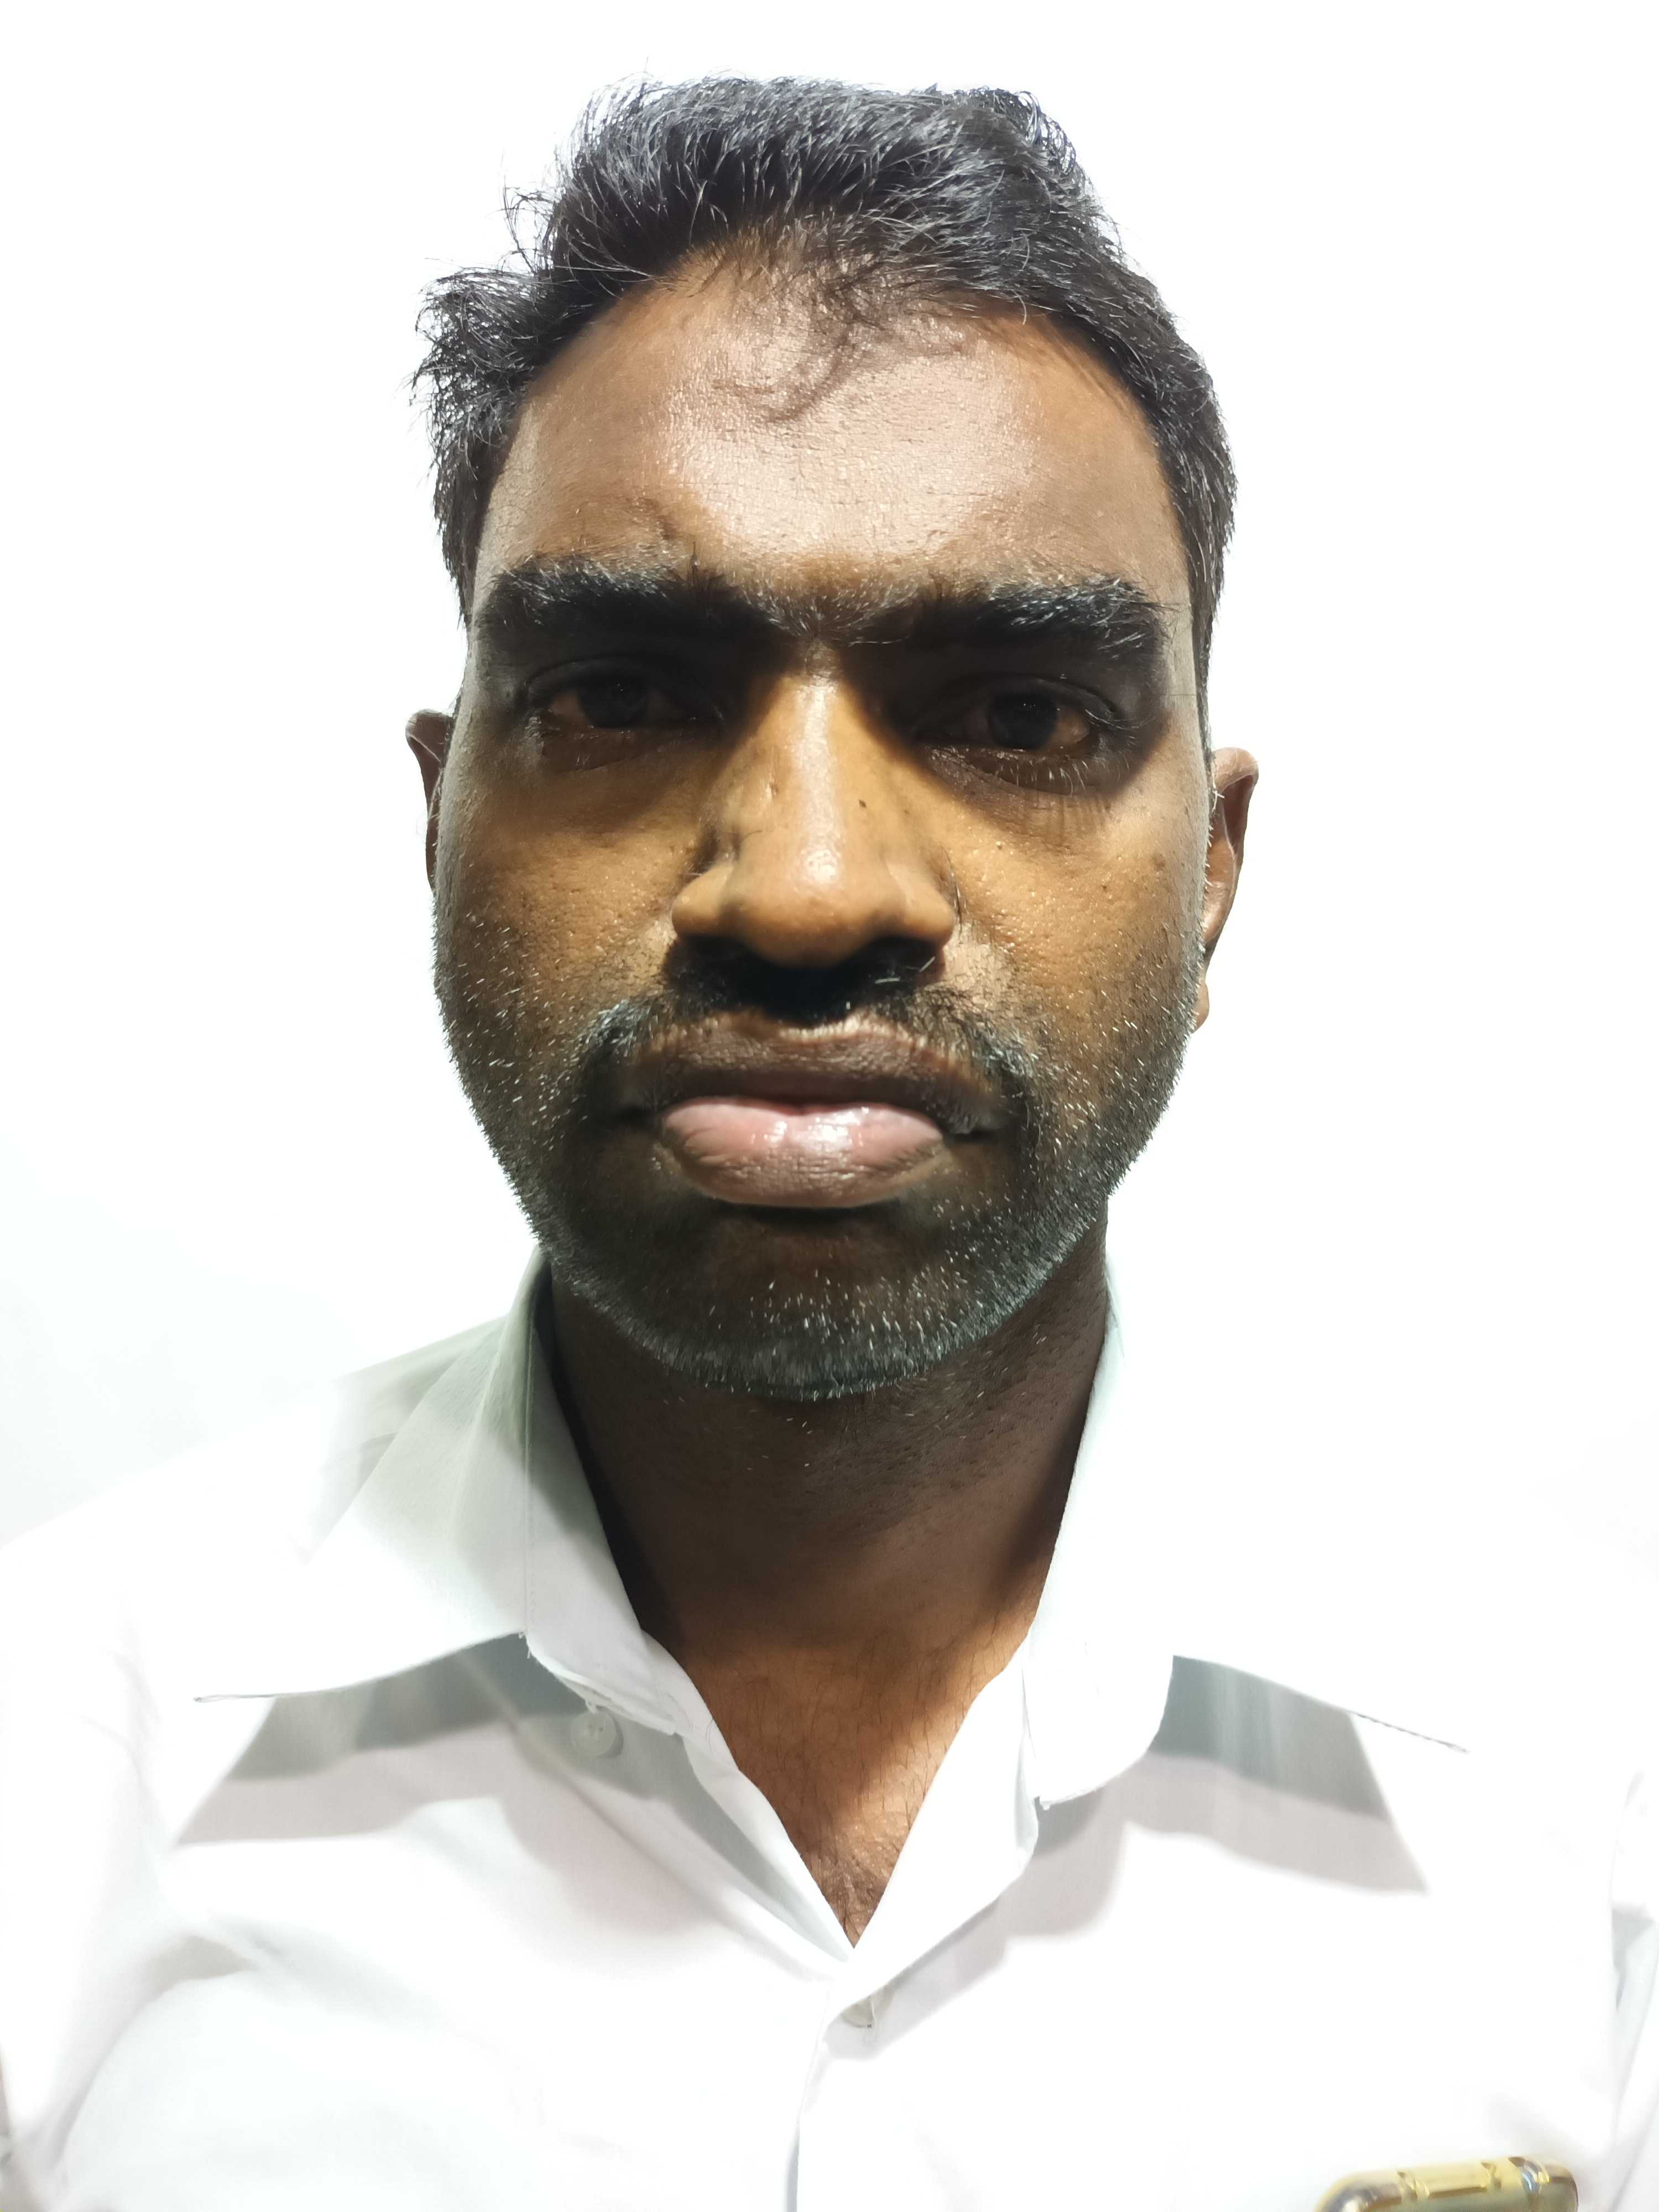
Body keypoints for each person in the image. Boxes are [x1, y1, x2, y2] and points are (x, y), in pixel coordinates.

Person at [1, 76, 1653, 2212]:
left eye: (1021, 712)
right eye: (620, 693)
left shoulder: (1590, 1805)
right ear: (441, 821)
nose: (804, 887)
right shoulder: (55, 1776)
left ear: (1214, 876)